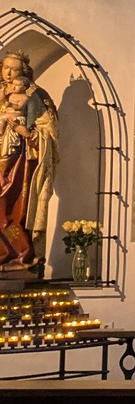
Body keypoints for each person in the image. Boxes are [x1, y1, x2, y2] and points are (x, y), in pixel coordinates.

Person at [0, 52, 58, 274]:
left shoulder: (35, 96)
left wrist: (27, 133)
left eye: (14, 69)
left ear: (24, 73)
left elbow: (49, 131)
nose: (8, 73)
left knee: (12, 206)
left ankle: (21, 255)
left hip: (19, 161)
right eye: (6, 67)